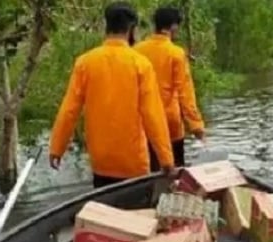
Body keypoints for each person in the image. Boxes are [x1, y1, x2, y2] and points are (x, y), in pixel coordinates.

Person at [48, 2, 175, 188]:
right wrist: (166, 159)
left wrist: (56, 148)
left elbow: (69, 110)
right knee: (133, 214)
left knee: (102, 211)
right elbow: (152, 115)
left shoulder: (85, 62)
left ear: (106, 25)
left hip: (101, 161)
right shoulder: (140, 64)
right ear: (132, 29)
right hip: (133, 162)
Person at [135, 6, 205, 170]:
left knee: (150, 170)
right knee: (175, 171)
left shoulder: (137, 50)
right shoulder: (176, 53)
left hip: (144, 123)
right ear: (173, 27)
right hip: (169, 123)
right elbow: (185, 93)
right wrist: (196, 125)